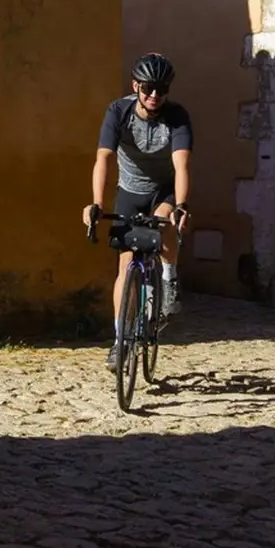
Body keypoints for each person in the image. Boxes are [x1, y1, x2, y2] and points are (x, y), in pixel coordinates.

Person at [84, 52, 192, 369]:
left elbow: (182, 164)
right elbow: (103, 158)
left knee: (163, 220)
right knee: (125, 266)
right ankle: (120, 341)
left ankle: (170, 278)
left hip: (165, 188)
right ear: (136, 86)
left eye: (161, 89)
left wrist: (182, 205)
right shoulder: (118, 111)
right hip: (130, 190)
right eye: (148, 89)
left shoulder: (177, 117)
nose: (154, 96)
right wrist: (96, 203)